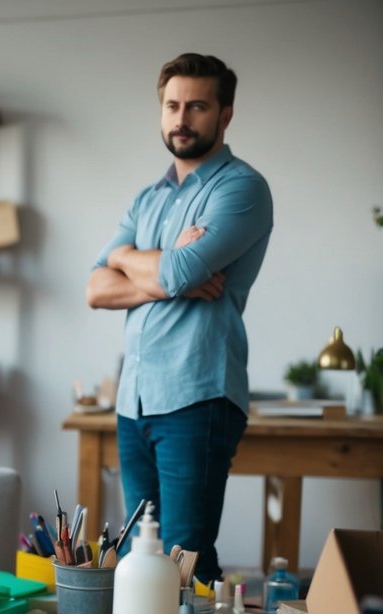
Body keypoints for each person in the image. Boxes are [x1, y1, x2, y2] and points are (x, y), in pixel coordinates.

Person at [87, 53, 273, 584]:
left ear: (225, 114)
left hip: (197, 396)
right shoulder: (150, 198)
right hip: (134, 399)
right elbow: (95, 287)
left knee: (184, 560)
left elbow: (177, 272)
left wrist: (139, 261)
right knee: (138, 560)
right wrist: (154, 264)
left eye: (197, 106)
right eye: (172, 105)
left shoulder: (242, 189)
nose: (181, 118)